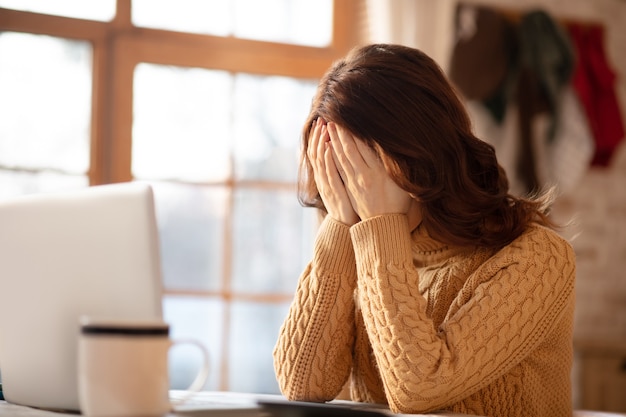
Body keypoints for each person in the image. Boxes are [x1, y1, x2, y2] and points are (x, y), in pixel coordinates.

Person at [272, 44, 576, 417]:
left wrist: (380, 226)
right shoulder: (364, 245)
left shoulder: (538, 259)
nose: (353, 188)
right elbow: (302, 384)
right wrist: (339, 227)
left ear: (421, 152)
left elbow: (419, 390)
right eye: (337, 170)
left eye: (362, 167)